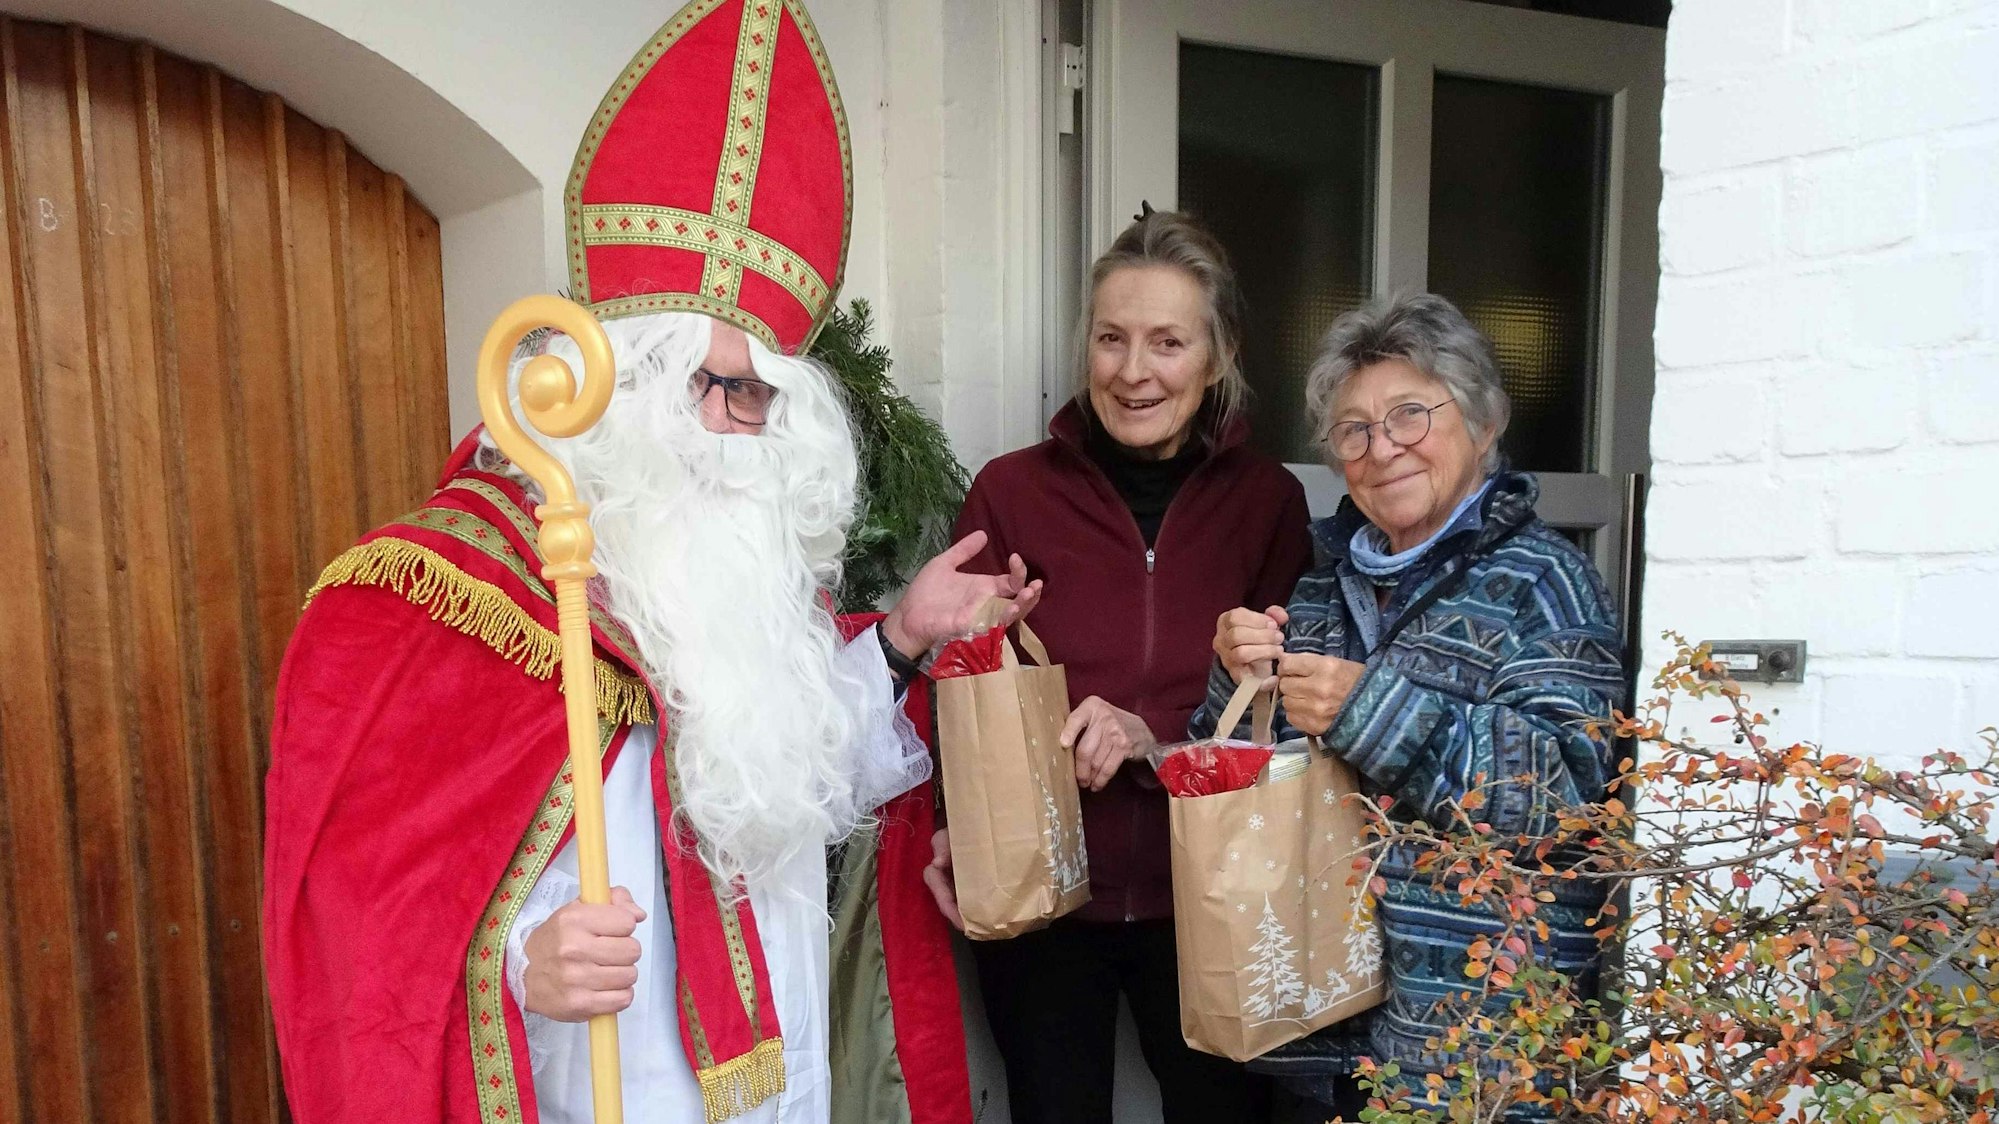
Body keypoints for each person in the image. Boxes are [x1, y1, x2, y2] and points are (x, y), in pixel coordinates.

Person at [262, 4, 1029, 1121]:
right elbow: (363, 911)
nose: (727, 423)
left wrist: (903, 632)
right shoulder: (450, 591)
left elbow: (801, 791)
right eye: (696, 380)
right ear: (610, 382)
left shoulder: (749, 578)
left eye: (756, 390)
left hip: (783, 1062)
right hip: (606, 1080)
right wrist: (522, 959)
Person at [1193, 293, 1624, 1119]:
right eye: (1352, 430)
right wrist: (1233, 681)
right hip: (1318, 1033)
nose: (1380, 448)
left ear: (1482, 422)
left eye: (1408, 416)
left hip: (1476, 1052)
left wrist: (1371, 711)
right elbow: (1245, 789)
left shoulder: (1547, 585)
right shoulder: (1320, 584)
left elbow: (1566, 799)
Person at [938, 210, 1313, 1124]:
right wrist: (959, 824)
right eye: (1111, 338)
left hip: (1212, 900)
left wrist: (1157, 743)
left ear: (1216, 357)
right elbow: (955, 687)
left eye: (1166, 342)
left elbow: (1291, 721)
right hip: (1043, 901)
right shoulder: (1010, 492)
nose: (1133, 371)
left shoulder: (1268, 502)